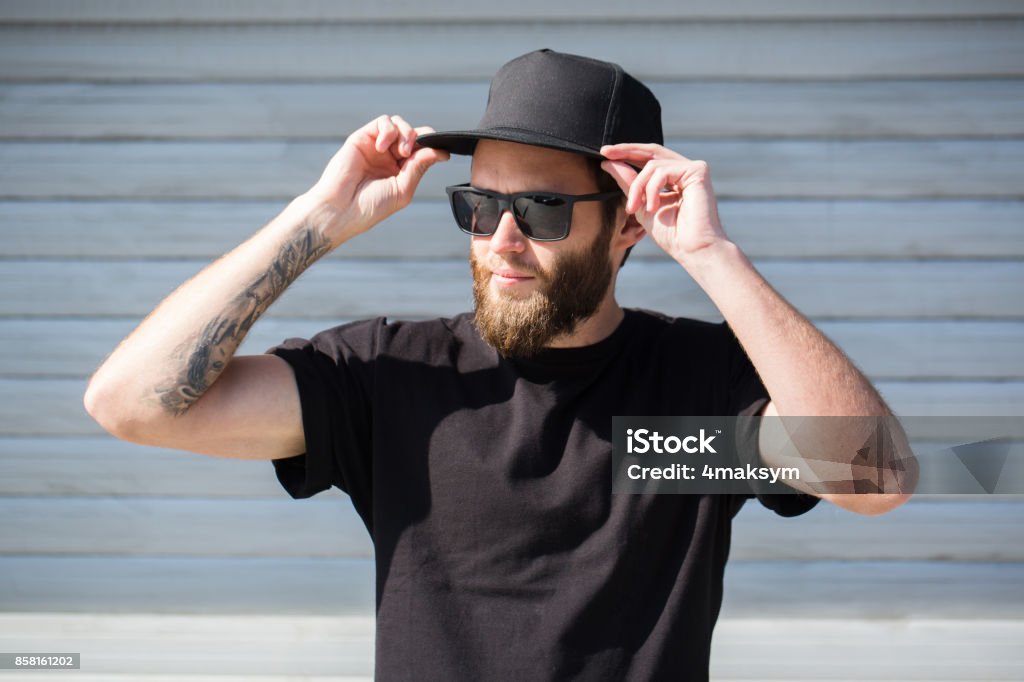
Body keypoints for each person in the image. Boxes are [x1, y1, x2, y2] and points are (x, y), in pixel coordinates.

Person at [84, 49, 912, 681]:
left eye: (542, 209)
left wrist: (714, 255)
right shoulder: (393, 376)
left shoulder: (690, 394)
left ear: (627, 227)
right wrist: (321, 216)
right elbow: (131, 405)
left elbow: (874, 477)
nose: (501, 241)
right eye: (479, 207)